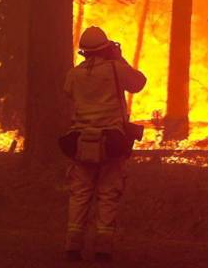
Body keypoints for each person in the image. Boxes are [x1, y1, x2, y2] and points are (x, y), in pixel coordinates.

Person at [63, 26, 147, 262]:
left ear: (84, 52)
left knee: (79, 193)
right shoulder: (115, 69)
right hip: (111, 141)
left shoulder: (73, 74)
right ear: (106, 48)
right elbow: (139, 83)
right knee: (108, 193)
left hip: (80, 141)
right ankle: (103, 248)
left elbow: (68, 93)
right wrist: (119, 57)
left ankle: (72, 246)